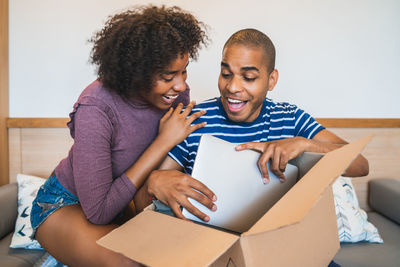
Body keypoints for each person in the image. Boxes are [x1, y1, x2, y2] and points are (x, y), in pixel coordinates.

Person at [30, 5, 218, 267]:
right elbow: (99, 212)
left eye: (184, 70)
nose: (181, 85)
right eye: (168, 76)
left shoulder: (175, 97)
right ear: (137, 73)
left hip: (125, 204)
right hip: (66, 205)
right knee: (130, 263)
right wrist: (163, 142)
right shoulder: (96, 107)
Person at [133, 28, 369, 224]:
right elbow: (142, 207)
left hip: (274, 244)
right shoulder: (195, 119)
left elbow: (360, 165)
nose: (233, 87)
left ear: (271, 80)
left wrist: (304, 144)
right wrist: (155, 181)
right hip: (203, 243)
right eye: (226, 74)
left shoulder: (290, 118)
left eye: (248, 77)